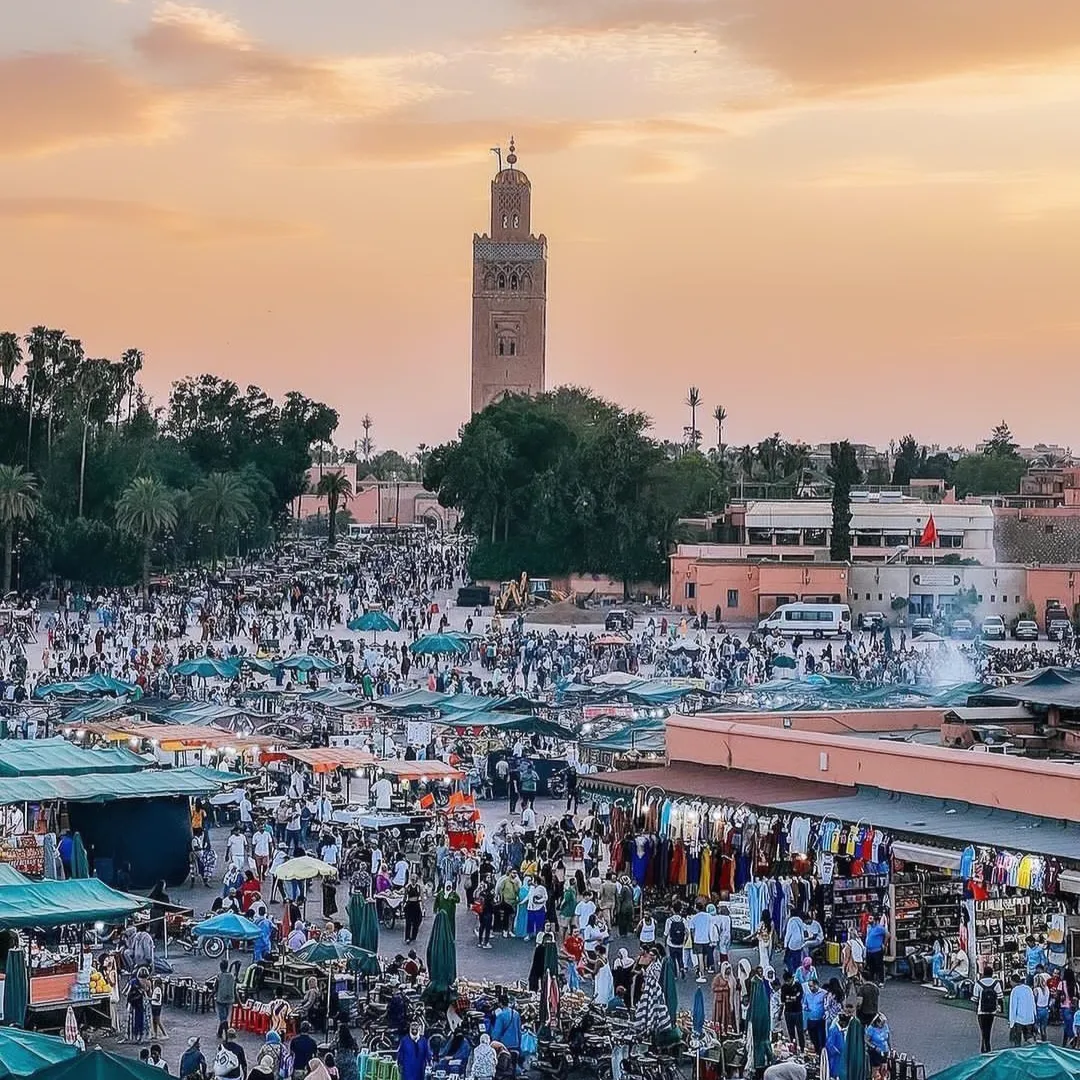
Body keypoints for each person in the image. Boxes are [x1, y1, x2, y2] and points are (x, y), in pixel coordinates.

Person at [1008, 974, 1037, 1045]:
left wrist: (1011, 1023)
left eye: (1010, 982)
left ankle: (1018, 1052)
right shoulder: (1028, 989)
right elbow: (1033, 1003)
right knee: (1029, 1036)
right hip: (1029, 1018)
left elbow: (1013, 1007)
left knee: (1017, 1039)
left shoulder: (1015, 990)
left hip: (1019, 1019)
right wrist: (1034, 1015)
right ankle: (1034, 1047)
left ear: (1013, 981)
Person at [780, 971, 805, 1049]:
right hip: (788, 1012)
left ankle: (802, 1047)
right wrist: (792, 998)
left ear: (792, 978)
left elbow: (798, 998)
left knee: (800, 1031)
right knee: (791, 1031)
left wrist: (790, 998)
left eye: (788, 980)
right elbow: (783, 999)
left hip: (798, 1011)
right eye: (786, 981)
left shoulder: (798, 985)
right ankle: (793, 1047)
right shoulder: (784, 987)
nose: (788, 982)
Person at [802, 977, 828, 1053]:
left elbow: (827, 1006)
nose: (811, 988)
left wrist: (825, 1014)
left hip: (820, 1020)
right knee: (813, 1039)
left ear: (817, 985)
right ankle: (817, 1054)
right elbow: (804, 1004)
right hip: (811, 1020)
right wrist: (805, 1007)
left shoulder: (824, 993)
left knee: (821, 1039)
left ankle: (822, 1055)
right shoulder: (807, 994)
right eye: (809, 986)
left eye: (812, 986)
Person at [214, 959, 237, 1039]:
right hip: (229, 999)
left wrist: (210, 996)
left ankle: (226, 1033)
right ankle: (219, 1033)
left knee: (223, 1018)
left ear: (220, 967)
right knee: (224, 1017)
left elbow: (215, 988)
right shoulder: (232, 976)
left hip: (220, 999)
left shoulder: (219, 976)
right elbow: (234, 989)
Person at [865, 918, 888, 985]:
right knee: (871, 967)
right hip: (869, 951)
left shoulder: (879, 928)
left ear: (875, 920)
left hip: (877, 950)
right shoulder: (870, 928)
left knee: (879, 966)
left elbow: (887, 934)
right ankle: (871, 981)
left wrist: (884, 944)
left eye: (871, 919)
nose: (869, 920)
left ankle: (881, 981)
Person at [1034, 973, 1052, 1042]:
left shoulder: (1036, 990)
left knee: (1036, 1027)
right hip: (1046, 1009)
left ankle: (1037, 1041)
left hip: (1039, 1009)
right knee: (1043, 1028)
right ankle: (1044, 1040)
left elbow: (1035, 1001)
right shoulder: (1047, 989)